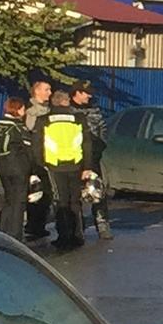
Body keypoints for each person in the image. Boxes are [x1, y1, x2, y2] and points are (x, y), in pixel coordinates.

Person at [39, 86, 90, 251]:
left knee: (61, 202)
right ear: (66, 102)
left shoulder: (44, 120)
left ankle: (64, 236)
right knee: (75, 201)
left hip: (54, 166)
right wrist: (87, 166)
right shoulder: (78, 118)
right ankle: (78, 235)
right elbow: (86, 143)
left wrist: (40, 164)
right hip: (75, 164)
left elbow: (37, 145)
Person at [0, 91, 42, 240]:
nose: (24, 112)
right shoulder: (18, 126)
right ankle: (15, 234)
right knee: (19, 202)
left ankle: (2, 231)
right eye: (23, 109)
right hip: (18, 167)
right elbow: (29, 149)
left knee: (9, 199)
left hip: (1, 166)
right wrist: (34, 169)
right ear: (18, 109)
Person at [69, 80, 113, 238]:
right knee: (74, 195)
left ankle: (102, 225)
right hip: (73, 159)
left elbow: (103, 131)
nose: (89, 96)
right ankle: (77, 227)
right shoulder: (67, 111)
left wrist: (98, 149)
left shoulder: (94, 110)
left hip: (93, 158)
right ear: (77, 93)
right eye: (86, 93)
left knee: (97, 192)